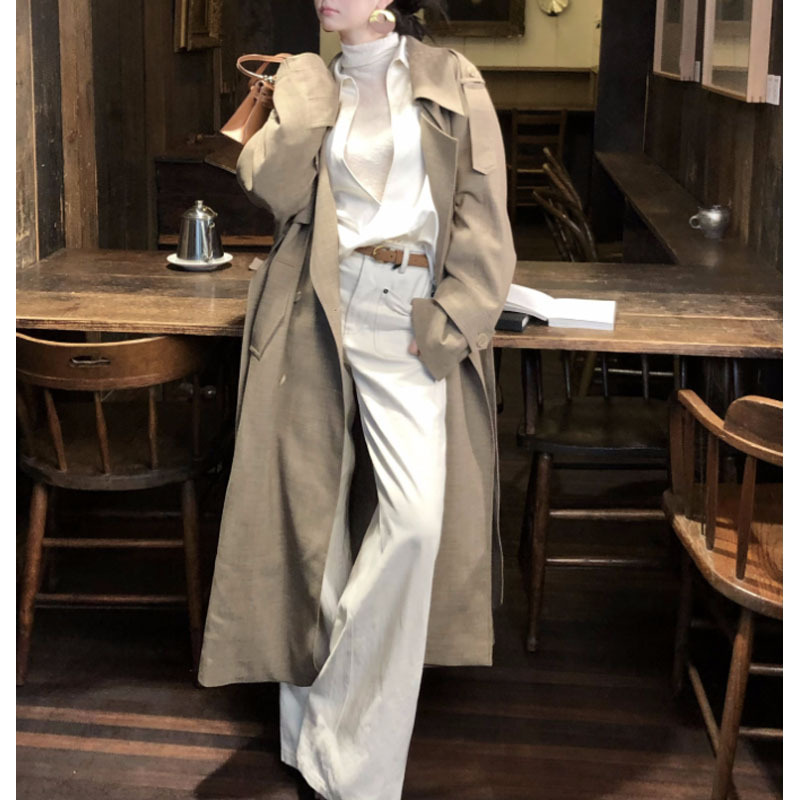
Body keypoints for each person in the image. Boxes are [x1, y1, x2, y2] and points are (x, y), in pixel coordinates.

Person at [198, 1, 516, 798]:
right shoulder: (310, 82)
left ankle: (333, 722)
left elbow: (483, 215)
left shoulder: (452, 80)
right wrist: (306, 102)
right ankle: (339, 761)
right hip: (321, 306)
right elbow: (274, 193)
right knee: (315, 525)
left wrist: (452, 319)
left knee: (414, 524)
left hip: (410, 315)